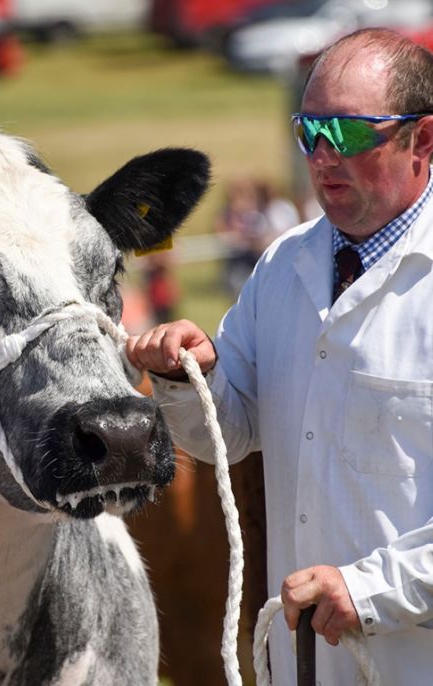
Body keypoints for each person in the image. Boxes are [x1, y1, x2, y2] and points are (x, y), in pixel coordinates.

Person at [126, 28, 433, 685]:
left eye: (347, 133)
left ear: (422, 140)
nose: (321, 156)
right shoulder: (281, 265)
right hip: (300, 665)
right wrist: (193, 376)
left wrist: (375, 590)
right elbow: (225, 438)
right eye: (308, 131)